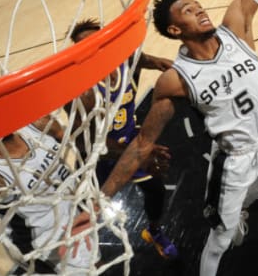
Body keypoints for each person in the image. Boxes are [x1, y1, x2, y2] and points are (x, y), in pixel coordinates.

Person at [80, 0, 258, 276]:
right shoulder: (176, 79)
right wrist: (101, 197)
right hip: (235, 158)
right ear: (175, 30)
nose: (200, 9)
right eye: (188, 11)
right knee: (223, 237)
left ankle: (239, 205)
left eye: (197, 4)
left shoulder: (236, 24)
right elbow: (143, 144)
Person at [69, 18, 178, 259]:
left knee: (156, 190)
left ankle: (154, 231)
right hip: (96, 160)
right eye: (84, 45)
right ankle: (85, 255)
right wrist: (140, 153)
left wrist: (176, 70)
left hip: (130, 141)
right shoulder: (81, 94)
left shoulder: (127, 58)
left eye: (99, 41)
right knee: (85, 210)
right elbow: (86, 145)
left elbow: (152, 61)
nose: (93, 48)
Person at [0, 117, 99, 273]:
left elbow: (79, 143)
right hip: (46, 244)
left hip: (78, 214)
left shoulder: (37, 124)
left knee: (96, 263)